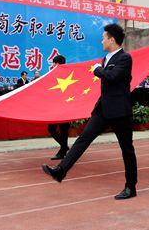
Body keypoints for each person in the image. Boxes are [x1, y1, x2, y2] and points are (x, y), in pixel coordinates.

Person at [42, 23, 138, 200]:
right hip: (103, 109)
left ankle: (130, 187)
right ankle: (61, 171)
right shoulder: (105, 59)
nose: (101, 41)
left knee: (127, 149)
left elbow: (113, 77)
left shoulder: (125, 58)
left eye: (103, 38)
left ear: (112, 39)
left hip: (120, 111)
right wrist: (100, 69)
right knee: (83, 139)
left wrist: (97, 70)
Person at [47, 55, 70, 160]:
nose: (52, 65)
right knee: (52, 129)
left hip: (64, 107)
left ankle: (63, 150)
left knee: (62, 130)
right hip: (58, 107)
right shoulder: (54, 74)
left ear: (57, 63)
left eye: (53, 63)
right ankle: (64, 148)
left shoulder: (67, 74)